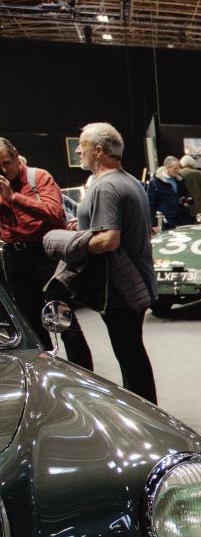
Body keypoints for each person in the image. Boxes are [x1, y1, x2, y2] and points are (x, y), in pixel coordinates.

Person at [72, 122, 159, 404]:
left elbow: (109, 240)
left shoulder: (106, 187)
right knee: (132, 351)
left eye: (82, 145)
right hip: (133, 282)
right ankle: (146, 412)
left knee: (129, 354)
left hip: (120, 287)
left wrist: (70, 243)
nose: (77, 150)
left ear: (98, 150)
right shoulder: (130, 181)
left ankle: (145, 417)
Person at [0, 137, 93, 367]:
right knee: (30, 322)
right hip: (14, 256)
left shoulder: (38, 177)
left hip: (45, 254)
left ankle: (83, 373)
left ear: (16, 155)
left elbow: (54, 213)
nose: (3, 170)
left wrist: (14, 198)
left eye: (6, 163)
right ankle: (45, 374)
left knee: (63, 318)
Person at [147, 156, 190, 231]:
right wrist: (153, 224)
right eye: (175, 169)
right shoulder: (155, 183)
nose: (178, 170)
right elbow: (150, 205)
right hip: (166, 222)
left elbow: (185, 195)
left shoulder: (180, 179)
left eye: (179, 167)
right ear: (167, 167)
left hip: (181, 220)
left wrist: (186, 200)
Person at [178, 155, 201, 222]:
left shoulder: (178, 174)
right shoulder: (200, 174)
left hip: (184, 209)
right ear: (193, 163)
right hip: (200, 208)